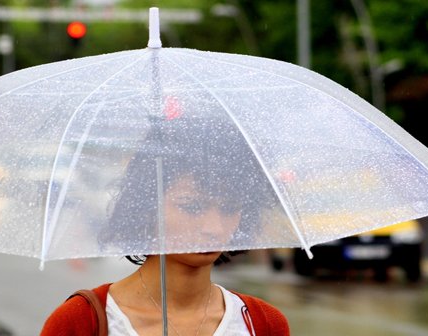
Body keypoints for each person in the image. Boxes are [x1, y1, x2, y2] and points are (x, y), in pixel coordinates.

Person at [41, 116, 289, 335]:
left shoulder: (262, 324)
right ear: (147, 206)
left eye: (229, 208)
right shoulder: (81, 322)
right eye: (191, 206)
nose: (213, 228)